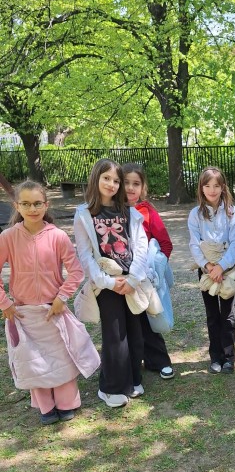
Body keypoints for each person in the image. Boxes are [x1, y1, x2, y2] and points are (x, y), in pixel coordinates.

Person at [0, 181, 99, 425]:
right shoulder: (8, 237)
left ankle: (67, 404)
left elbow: (76, 272)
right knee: (34, 361)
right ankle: (46, 407)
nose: (32, 209)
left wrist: (61, 298)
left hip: (53, 310)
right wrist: (5, 304)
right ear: (16, 206)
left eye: (37, 203)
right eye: (25, 204)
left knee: (62, 359)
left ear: (46, 204)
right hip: (24, 314)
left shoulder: (57, 236)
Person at [74, 158, 148, 408]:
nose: (112, 184)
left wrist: (134, 279)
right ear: (96, 178)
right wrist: (106, 282)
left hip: (130, 281)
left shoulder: (130, 212)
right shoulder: (84, 214)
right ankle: (111, 387)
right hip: (107, 284)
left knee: (135, 332)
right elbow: (85, 254)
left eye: (116, 180)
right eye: (106, 178)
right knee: (115, 334)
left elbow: (141, 247)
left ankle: (133, 379)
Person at [122, 163, 175, 380]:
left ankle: (158, 360)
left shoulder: (147, 211)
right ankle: (128, 364)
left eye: (136, 183)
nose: (130, 188)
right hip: (120, 277)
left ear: (143, 187)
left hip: (144, 277)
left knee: (148, 316)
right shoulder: (110, 211)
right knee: (127, 321)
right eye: (126, 182)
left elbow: (165, 244)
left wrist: (155, 269)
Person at [188, 167, 235, 374]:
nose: (212, 190)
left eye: (216, 186)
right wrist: (208, 266)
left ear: (223, 187)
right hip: (207, 270)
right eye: (207, 185)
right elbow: (194, 244)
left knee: (227, 314)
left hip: (227, 270)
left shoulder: (232, 212)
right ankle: (215, 357)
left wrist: (222, 266)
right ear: (201, 188)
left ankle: (229, 357)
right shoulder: (195, 214)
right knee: (212, 314)